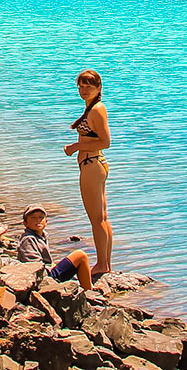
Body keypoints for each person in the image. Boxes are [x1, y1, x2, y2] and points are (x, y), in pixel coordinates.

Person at [64, 69, 113, 278]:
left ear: (98, 88)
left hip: (92, 165)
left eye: (89, 86)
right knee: (101, 217)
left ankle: (102, 264)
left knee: (97, 219)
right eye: (81, 86)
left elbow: (105, 142)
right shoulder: (91, 107)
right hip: (93, 164)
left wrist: (76, 146)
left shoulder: (97, 110)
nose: (84, 90)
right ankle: (105, 263)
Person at [16, 205, 93, 290]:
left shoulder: (42, 235)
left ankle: (86, 285)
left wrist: (52, 265)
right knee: (80, 256)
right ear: (25, 223)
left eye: (41, 217)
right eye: (33, 217)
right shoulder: (28, 239)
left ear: (46, 221)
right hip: (44, 279)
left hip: (45, 273)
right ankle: (88, 291)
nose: (38, 220)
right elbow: (33, 267)